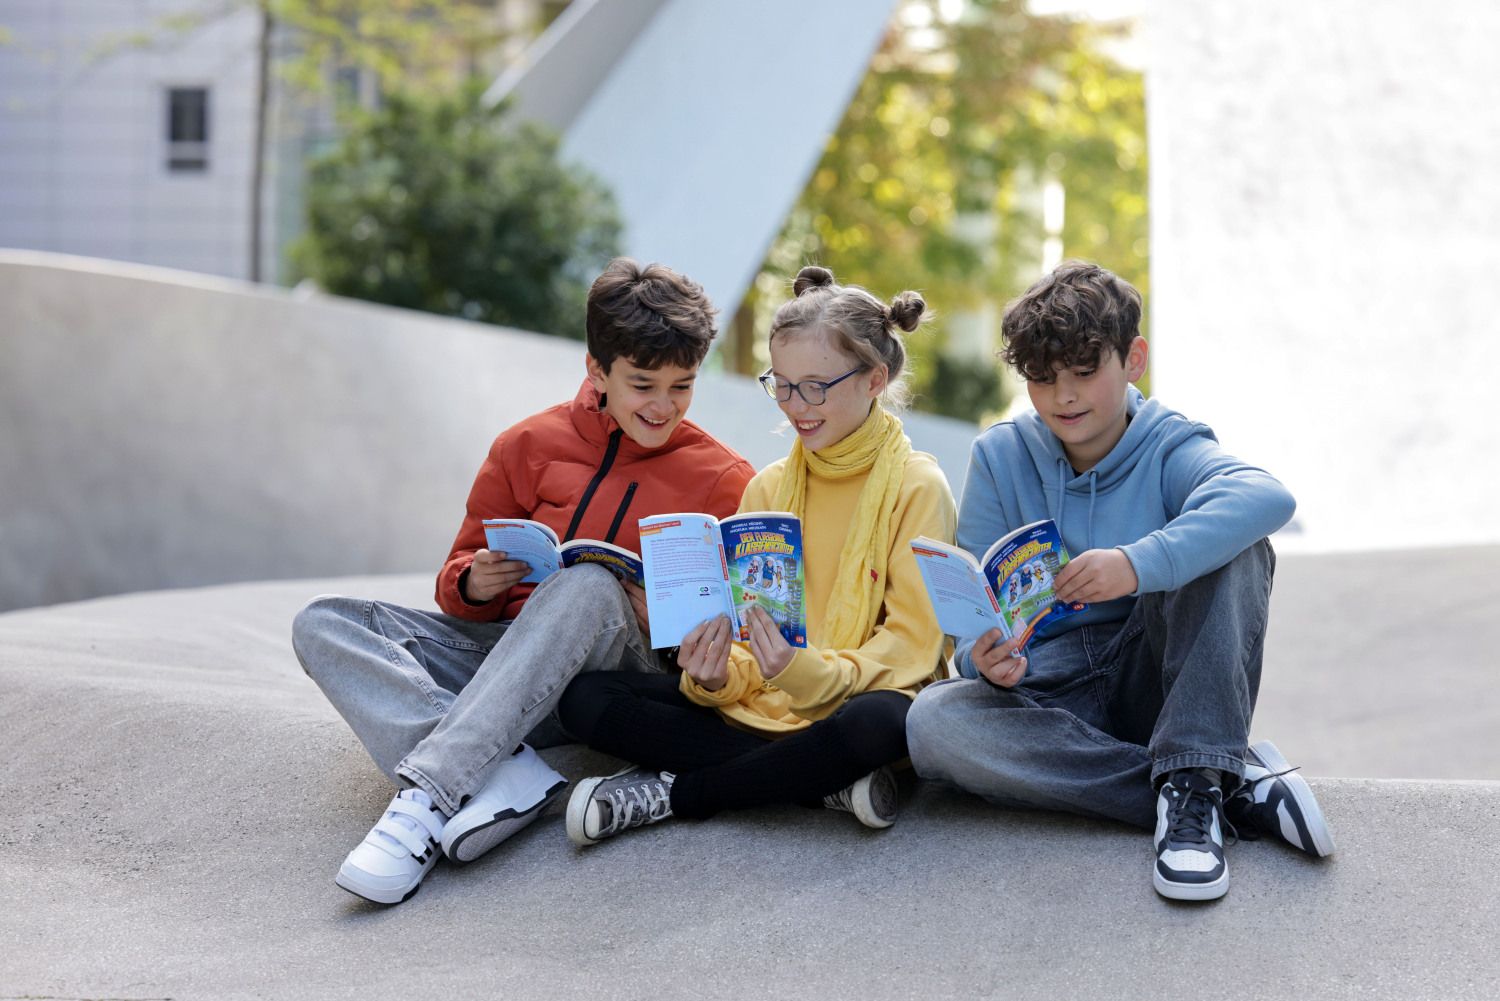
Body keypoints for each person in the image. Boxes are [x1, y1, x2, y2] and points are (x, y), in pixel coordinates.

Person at [292, 258, 755, 904]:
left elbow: (732, 635)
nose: (664, 406)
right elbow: (454, 584)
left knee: (589, 585)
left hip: (612, 679)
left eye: (682, 386)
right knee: (324, 622)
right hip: (506, 663)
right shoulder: (527, 444)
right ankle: (504, 771)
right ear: (597, 369)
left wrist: (681, 636)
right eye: (643, 383)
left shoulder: (725, 478)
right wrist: (475, 582)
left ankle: (430, 798)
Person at [905, 260, 1335, 902]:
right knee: (934, 722)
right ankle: (1214, 787)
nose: (1065, 397)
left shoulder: (1169, 444)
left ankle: (1193, 785)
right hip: (1048, 691)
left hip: (1152, 679)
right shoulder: (1000, 455)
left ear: (1132, 359)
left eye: (1084, 373)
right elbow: (974, 615)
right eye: (1043, 380)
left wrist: (1135, 565)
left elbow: (1266, 497)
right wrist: (981, 657)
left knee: (1239, 547)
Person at [555, 265, 955, 845]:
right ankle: (819, 782)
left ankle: (678, 792)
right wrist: (714, 675)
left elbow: (913, 648)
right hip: (758, 702)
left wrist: (805, 672)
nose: (797, 406)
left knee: (883, 723)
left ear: (874, 378)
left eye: (816, 386)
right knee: (586, 697)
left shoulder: (918, 485)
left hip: (852, 702)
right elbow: (743, 636)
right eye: (783, 385)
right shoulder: (768, 486)